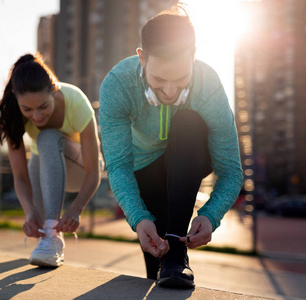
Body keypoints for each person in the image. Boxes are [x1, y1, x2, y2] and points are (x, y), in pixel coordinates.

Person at [99, 5, 243, 289]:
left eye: (180, 80)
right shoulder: (117, 85)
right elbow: (118, 165)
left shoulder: (208, 85)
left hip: (189, 158)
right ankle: (168, 261)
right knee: (158, 271)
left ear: (193, 56)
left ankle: (179, 255)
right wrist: (139, 218)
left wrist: (211, 215)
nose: (169, 92)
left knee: (188, 122)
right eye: (159, 80)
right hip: (144, 169)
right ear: (141, 58)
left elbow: (231, 170)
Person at [0, 53, 102, 267]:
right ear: (16, 98)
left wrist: (77, 208)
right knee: (42, 230)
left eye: (43, 107)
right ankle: (52, 241)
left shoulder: (76, 101)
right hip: (46, 168)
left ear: (53, 89)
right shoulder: (13, 115)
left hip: (81, 171)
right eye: (27, 109)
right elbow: (21, 177)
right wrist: (29, 210)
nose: (36, 116)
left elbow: (93, 171)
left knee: (47, 136)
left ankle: (51, 232)